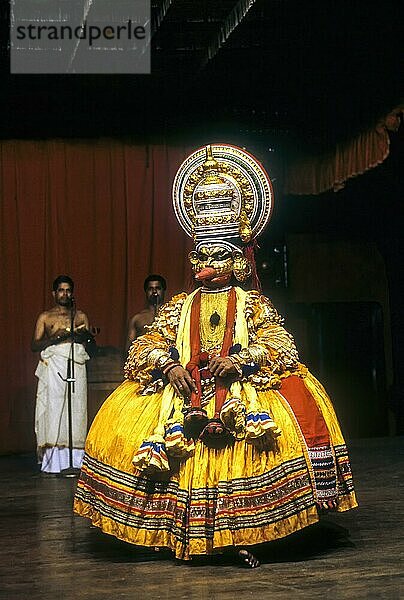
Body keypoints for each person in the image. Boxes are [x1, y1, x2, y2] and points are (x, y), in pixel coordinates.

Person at [74, 144, 357, 567]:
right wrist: (167, 364)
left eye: (218, 255)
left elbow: (280, 344)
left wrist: (241, 361)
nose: (209, 262)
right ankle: (173, 533)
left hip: (240, 391)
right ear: (193, 259)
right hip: (183, 389)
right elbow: (144, 345)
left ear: (237, 260)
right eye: (202, 255)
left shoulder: (252, 304)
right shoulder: (178, 305)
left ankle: (244, 534)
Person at [32, 275, 91, 475]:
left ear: (72, 293)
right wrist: (58, 338)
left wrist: (85, 336)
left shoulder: (80, 316)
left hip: (77, 364)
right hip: (55, 365)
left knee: (77, 410)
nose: (64, 294)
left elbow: (88, 345)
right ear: (54, 293)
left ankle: (76, 460)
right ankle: (54, 462)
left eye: (68, 290)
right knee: (55, 409)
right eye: (61, 290)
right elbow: (34, 345)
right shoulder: (46, 317)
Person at [126, 275, 167, 348]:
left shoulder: (173, 316)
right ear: (146, 292)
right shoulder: (137, 319)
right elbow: (129, 349)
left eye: (158, 288)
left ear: (164, 291)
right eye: (150, 289)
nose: (154, 292)